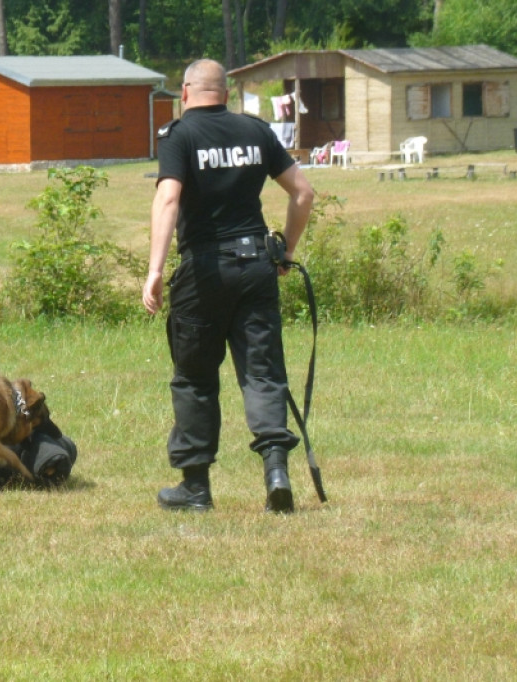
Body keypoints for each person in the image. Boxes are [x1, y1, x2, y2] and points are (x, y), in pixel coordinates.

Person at [142, 59, 315, 514]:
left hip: (203, 270)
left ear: (185, 92)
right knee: (262, 372)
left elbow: (168, 196)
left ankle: (196, 488)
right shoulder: (256, 132)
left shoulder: (179, 135)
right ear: (226, 93)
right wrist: (287, 250)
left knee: (196, 378)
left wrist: (155, 270)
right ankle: (276, 473)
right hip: (257, 265)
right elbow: (303, 193)